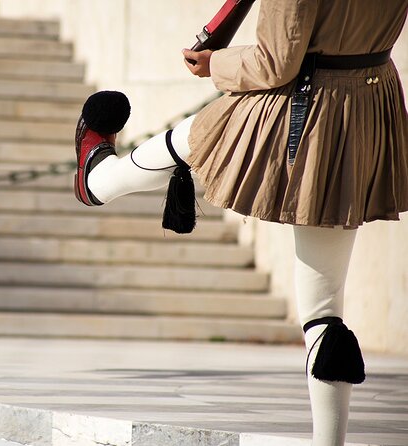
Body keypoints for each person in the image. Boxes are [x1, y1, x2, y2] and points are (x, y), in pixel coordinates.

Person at [73, 0, 408, 444]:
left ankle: (98, 180)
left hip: (304, 108)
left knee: (195, 136)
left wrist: (216, 63)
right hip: (366, 107)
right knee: (324, 312)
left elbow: (275, 63)